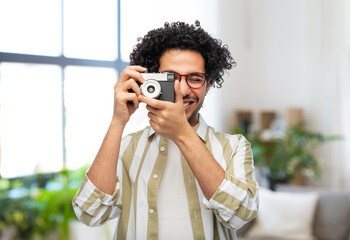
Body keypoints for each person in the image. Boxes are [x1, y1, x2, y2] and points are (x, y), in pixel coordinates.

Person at [72, 21, 259, 240]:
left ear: (209, 85)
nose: (182, 90)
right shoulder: (126, 147)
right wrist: (117, 121)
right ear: (151, 80)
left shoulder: (235, 147)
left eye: (195, 78)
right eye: (170, 78)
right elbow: (89, 213)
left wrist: (182, 133)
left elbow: (241, 215)